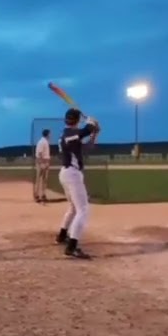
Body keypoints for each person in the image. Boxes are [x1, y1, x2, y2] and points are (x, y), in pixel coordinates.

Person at [54, 108, 100, 260]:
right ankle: (72, 247)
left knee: (74, 208)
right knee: (83, 209)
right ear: (76, 120)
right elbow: (83, 132)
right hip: (71, 174)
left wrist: (95, 134)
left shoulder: (68, 135)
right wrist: (91, 124)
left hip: (68, 174)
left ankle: (61, 236)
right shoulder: (69, 135)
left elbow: (86, 147)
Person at [33, 129, 52, 203]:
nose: (51, 135)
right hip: (42, 162)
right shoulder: (42, 142)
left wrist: (47, 163)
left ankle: (43, 195)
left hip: (46, 162)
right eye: (50, 134)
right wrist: (41, 163)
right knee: (39, 179)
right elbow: (40, 153)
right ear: (47, 134)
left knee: (45, 179)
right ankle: (36, 195)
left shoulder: (46, 141)